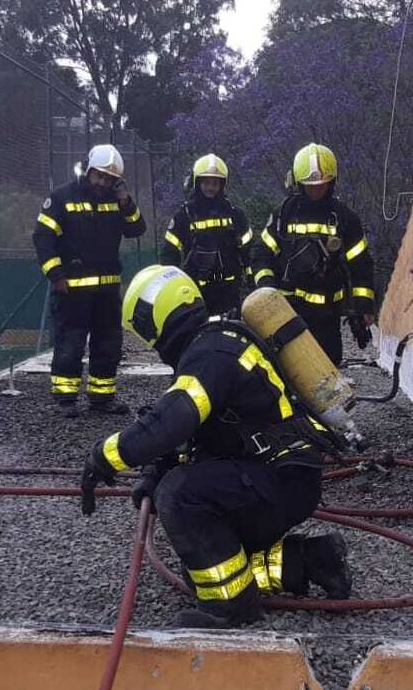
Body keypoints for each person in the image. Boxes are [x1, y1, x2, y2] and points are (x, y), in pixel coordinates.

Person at [78, 265, 352, 629]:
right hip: (281, 477)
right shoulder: (212, 343)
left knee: (180, 495)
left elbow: (172, 419)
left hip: (279, 481)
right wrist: (153, 473)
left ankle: (233, 607)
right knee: (206, 570)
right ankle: (313, 560)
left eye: (145, 330)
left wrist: (104, 457)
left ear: (156, 316)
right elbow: (188, 434)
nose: (152, 343)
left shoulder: (211, 353)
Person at [33, 143, 147, 417]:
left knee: (108, 345)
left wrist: (126, 202)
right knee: (70, 344)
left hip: (107, 290)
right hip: (72, 290)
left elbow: (137, 228)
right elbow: (42, 237)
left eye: (109, 179)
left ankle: (102, 398)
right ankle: (66, 399)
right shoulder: (61, 198)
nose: (103, 182)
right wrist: (55, 274)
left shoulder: (116, 201)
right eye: (99, 176)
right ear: (88, 171)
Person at [249, 143, 377, 366]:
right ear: (299, 183)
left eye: (322, 184)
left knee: (328, 367)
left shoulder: (344, 217)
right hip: (287, 310)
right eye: (310, 185)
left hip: (327, 314)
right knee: (286, 366)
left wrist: (363, 307)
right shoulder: (284, 215)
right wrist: (266, 287)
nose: (316, 190)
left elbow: (361, 265)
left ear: (332, 182)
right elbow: (261, 254)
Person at [159, 153, 252, 318]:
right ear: (197, 182)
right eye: (206, 182)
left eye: (215, 183)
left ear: (222, 185)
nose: (211, 187)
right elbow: (169, 254)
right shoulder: (184, 216)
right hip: (196, 292)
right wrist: (174, 287)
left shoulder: (235, 214)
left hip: (229, 291)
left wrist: (252, 283)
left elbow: (249, 252)